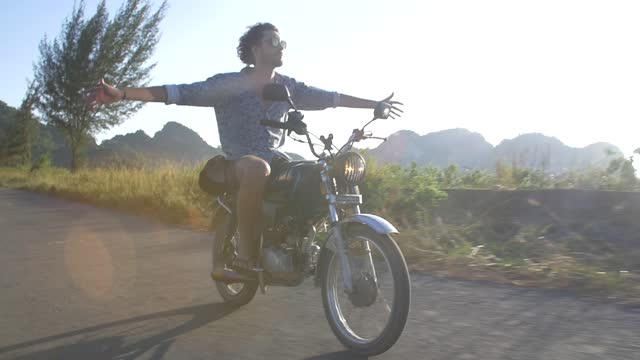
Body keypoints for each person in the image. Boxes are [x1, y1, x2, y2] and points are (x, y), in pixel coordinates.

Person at [87, 22, 402, 281]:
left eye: (282, 43)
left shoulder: (288, 86)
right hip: (238, 161)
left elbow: (329, 97)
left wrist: (374, 104)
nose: (281, 47)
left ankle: (316, 242)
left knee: (327, 169)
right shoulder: (230, 84)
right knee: (257, 168)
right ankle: (245, 257)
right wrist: (122, 94)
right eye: (273, 42)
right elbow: (179, 93)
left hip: (276, 159)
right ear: (255, 49)